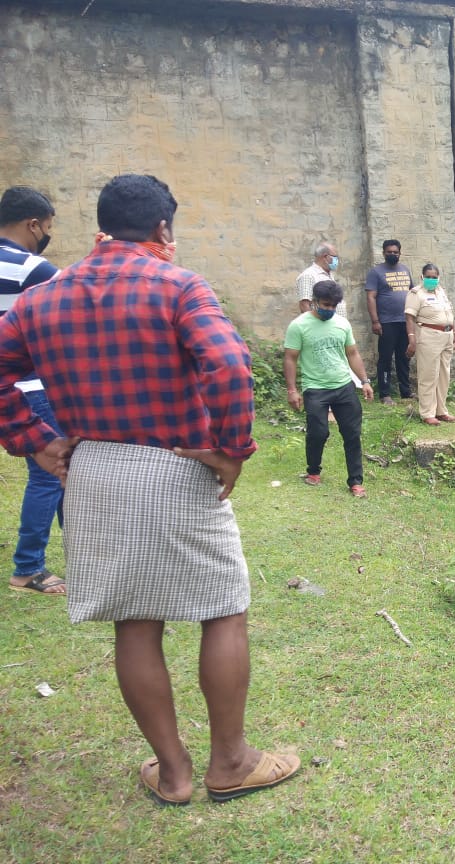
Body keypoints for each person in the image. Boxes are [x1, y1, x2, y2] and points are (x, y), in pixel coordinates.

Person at [0, 174, 300, 806]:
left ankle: (174, 774)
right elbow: (228, 363)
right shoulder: (179, 285)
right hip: (177, 467)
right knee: (222, 606)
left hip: (95, 470)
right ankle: (232, 762)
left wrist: (34, 438)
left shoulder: (41, 300)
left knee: (134, 625)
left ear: (99, 226)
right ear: (164, 228)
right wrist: (232, 448)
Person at [0, 186, 66, 596]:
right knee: (50, 475)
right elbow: (75, 303)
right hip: (25, 386)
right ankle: (28, 568)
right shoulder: (33, 268)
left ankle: (81, 550)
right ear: (34, 224)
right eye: (49, 227)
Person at [284, 279, 374, 496]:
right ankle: (313, 471)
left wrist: (365, 381)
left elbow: (352, 354)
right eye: (326, 305)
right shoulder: (299, 326)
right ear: (314, 302)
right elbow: (290, 358)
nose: (330, 310)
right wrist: (292, 390)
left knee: (352, 434)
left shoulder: (342, 324)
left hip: (344, 386)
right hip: (315, 388)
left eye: (333, 306)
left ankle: (355, 481)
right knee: (318, 432)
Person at [405, 262, 455, 426]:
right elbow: (409, 318)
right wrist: (411, 339)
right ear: (422, 277)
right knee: (428, 375)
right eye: (428, 277)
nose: (431, 280)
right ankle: (427, 413)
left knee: (444, 375)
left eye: (434, 277)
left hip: (447, 335)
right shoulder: (416, 294)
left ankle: (441, 411)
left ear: (438, 278)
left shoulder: (441, 291)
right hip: (429, 336)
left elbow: (449, 314)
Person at [365, 239, 414, 405]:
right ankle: (385, 394)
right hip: (386, 322)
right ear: (383, 253)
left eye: (395, 252)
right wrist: (375, 321)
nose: (392, 254)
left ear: (400, 253)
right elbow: (371, 297)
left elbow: (412, 294)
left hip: (405, 321)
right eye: (389, 252)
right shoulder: (376, 272)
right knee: (385, 359)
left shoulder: (405, 270)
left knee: (404, 357)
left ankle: (406, 392)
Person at [296, 241, 345, 316]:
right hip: (323, 325)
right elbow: (304, 305)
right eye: (335, 257)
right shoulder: (309, 275)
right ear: (325, 257)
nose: (337, 260)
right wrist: (315, 326)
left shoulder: (328, 275)